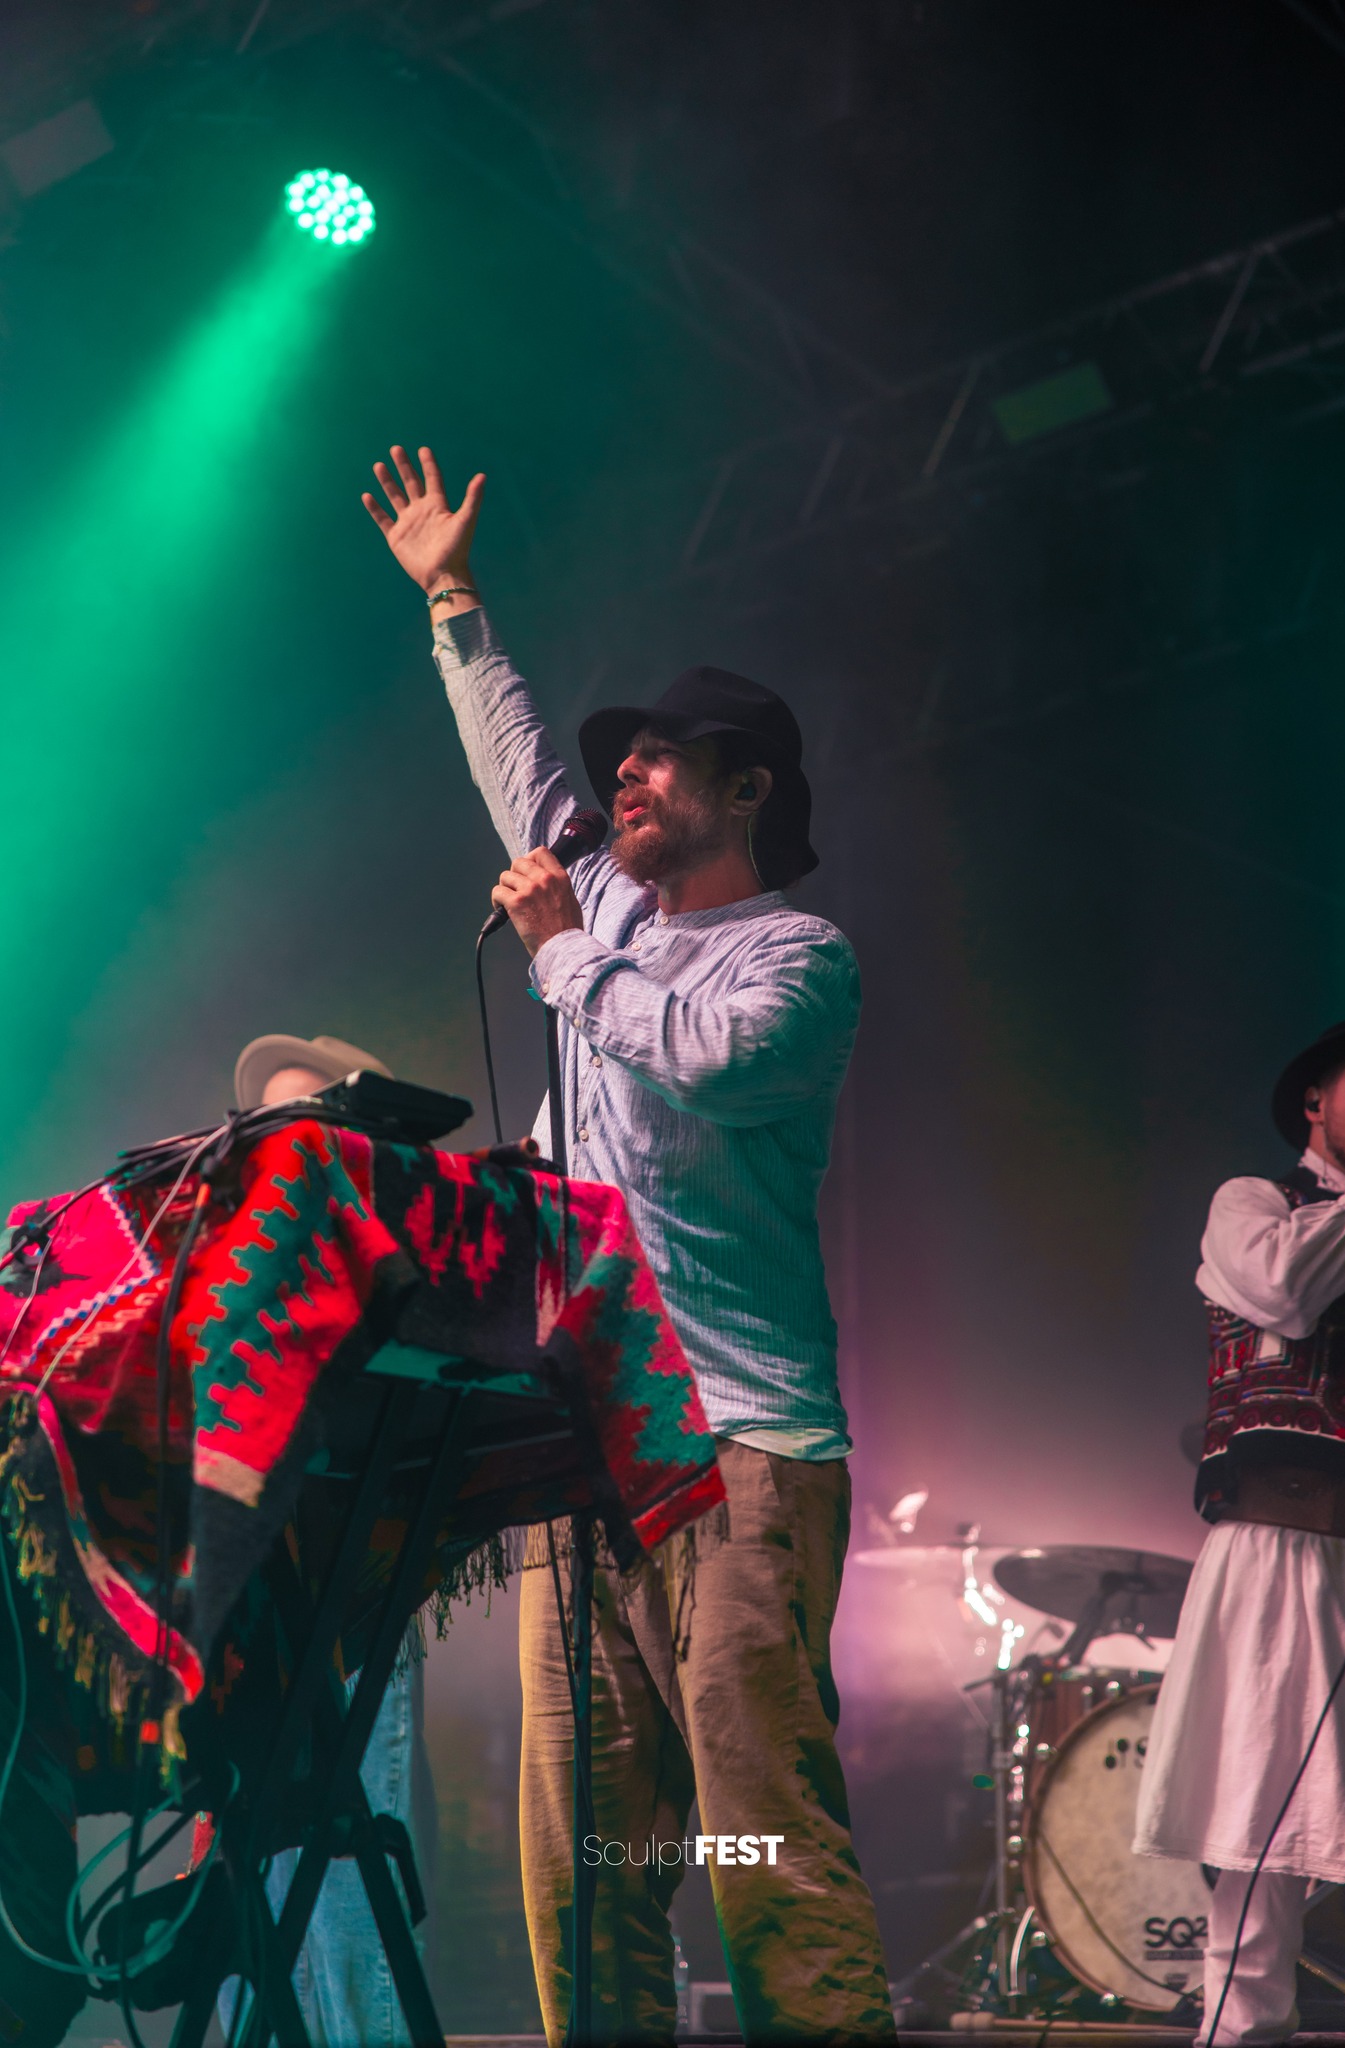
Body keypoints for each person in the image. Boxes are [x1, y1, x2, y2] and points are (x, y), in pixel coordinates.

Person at [361, 444, 894, 2045]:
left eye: (667, 757)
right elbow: (515, 760)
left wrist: (557, 954)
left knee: (756, 1843)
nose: (631, 777)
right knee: (587, 1864)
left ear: (749, 793)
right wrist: (454, 600)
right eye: (630, 759)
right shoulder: (598, 900)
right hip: (575, 1456)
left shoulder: (796, 960)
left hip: (738, 1456)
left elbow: (701, 1061)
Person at [1134, 1016, 1345, 2046]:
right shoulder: (1252, 1203)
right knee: (1262, 1807)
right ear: (1314, 1104)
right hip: (1284, 1538)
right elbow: (1284, 1290)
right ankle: (1240, 2030)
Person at [219, 1031, 439, 2048]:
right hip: (249, 1616)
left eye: (305, 1123)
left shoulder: (394, 1267)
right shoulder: (234, 1268)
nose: (280, 1144)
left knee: (341, 1886)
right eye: (265, 1127)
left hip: (350, 1604)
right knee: (248, 1889)